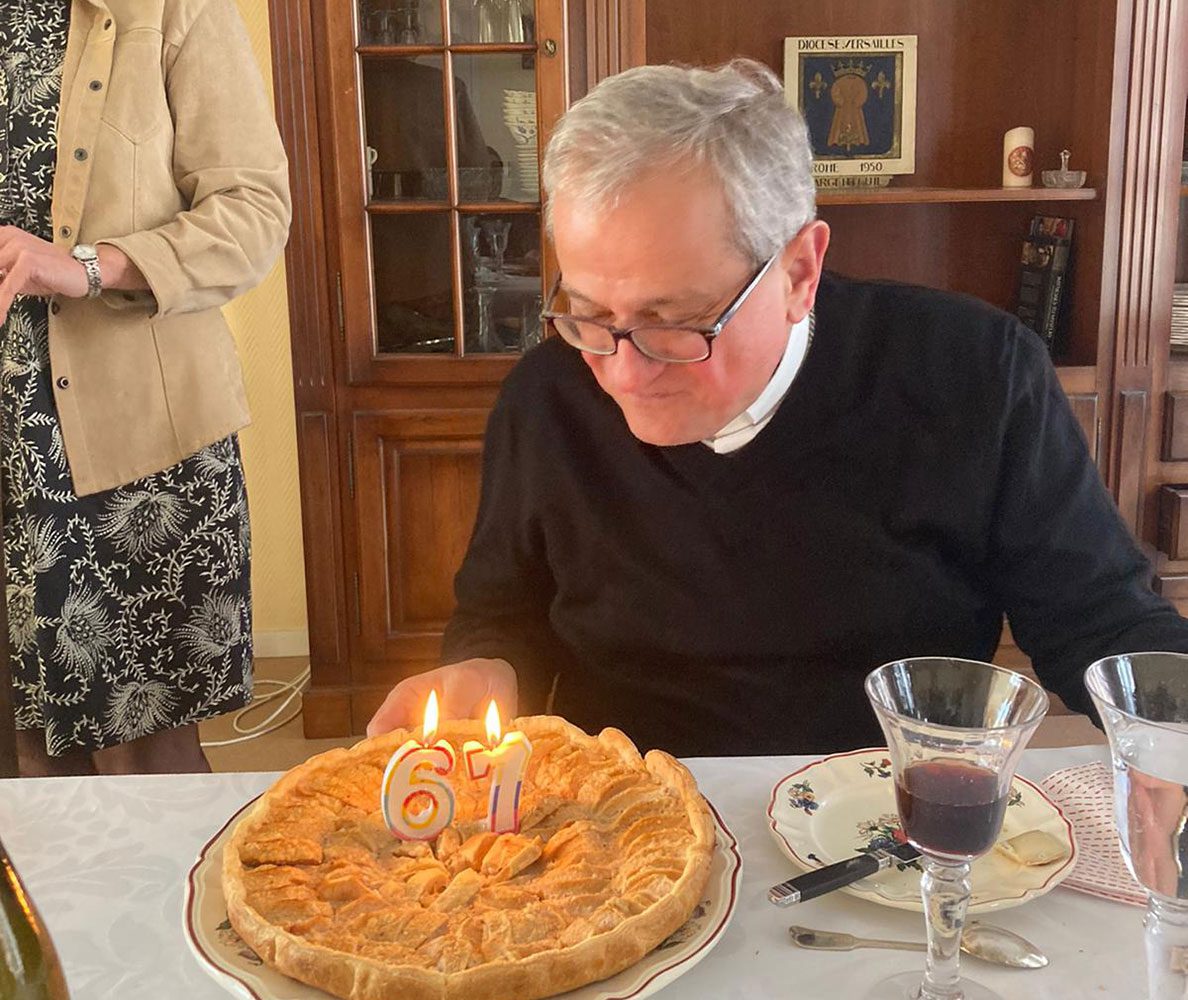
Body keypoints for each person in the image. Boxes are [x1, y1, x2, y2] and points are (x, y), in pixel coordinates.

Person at [366, 59, 1188, 756]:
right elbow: (502, 613)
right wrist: (484, 670)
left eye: (673, 321)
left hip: (888, 819)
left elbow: (1101, 625)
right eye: (587, 312)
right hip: (623, 826)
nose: (619, 372)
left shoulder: (976, 374)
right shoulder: (547, 398)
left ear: (799, 272)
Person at [0, 0, 290, 775]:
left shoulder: (173, 7)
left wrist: (88, 265)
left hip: (137, 449)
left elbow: (254, 212)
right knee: (24, 769)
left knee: (146, 764)